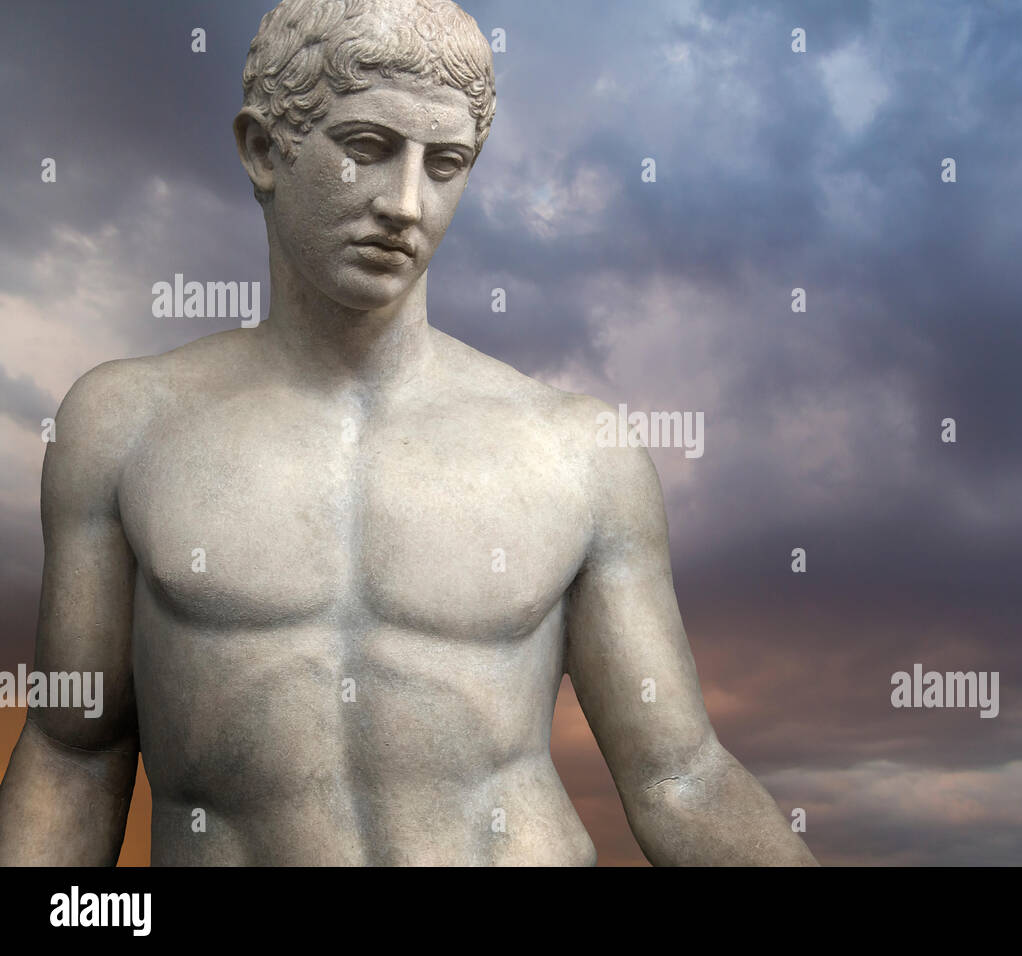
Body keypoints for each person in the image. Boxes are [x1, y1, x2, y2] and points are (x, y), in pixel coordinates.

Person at [0, 0, 817, 866]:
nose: (405, 202)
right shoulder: (122, 425)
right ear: (262, 150)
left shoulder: (580, 452)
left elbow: (680, 779)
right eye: (368, 147)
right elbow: (73, 753)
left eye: (447, 163)